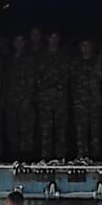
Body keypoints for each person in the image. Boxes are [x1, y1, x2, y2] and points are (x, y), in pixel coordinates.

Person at [36, 31, 71, 159]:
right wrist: (47, 88)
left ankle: (61, 157)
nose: (54, 40)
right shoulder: (41, 56)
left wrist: (57, 88)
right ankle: (46, 157)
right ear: (47, 38)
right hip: (45, 99)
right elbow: (37, 76)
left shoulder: (64, 56)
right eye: (52, 37)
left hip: (60, 98)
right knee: (46, 130)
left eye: (56, 37)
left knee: (61, 129)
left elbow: (67, 75)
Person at [70, 38, 102, 159]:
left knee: (95, 131)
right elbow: (71, 83)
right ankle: (81, 157)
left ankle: (95, 157)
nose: (86, 48)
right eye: (83, 45)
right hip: (80, 102)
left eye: (88, 45)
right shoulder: (75, 63)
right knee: (81, 131)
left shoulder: (98, 62)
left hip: (94, 101)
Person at [5, 34, 36, 160]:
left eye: (21, 41)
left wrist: (28, 98)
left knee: (26, 129)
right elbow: (5, 80)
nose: (18, 44)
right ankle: (14, 156)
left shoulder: (30, 59)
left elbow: (32, 80)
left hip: (25, 100)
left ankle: (26, 156)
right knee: (12, 130)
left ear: (24, 43)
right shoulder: (9, 59)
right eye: (16, 41)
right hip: (11, 100)